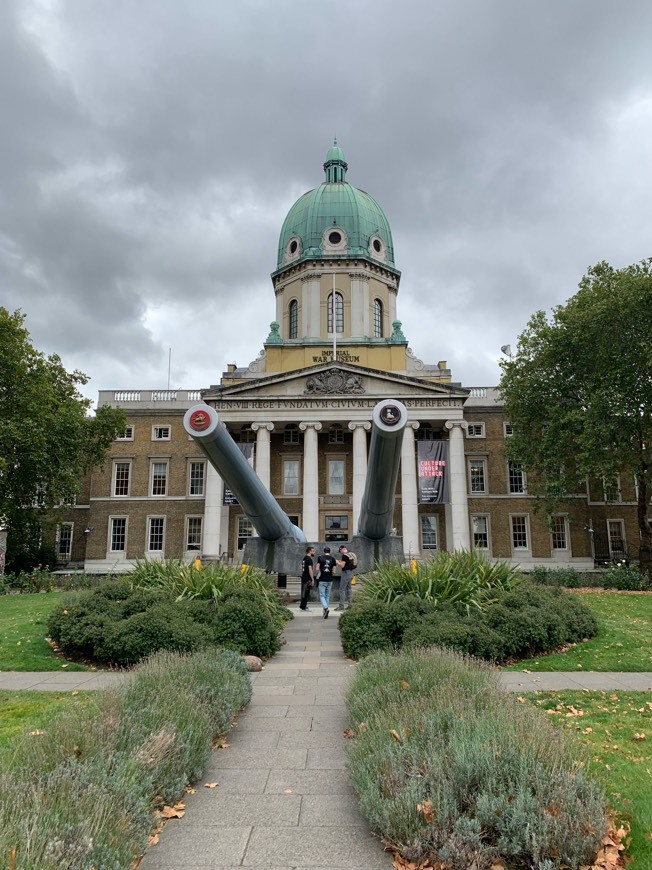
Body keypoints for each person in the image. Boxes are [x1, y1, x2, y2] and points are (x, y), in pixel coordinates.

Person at [316, 546, 337, 618]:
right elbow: (334, 571)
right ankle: (325, 611)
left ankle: (325, 608)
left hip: (322, 579)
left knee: (322, 595)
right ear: (330, 552)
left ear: (324, 551)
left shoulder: (320, 558)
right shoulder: (333, 559)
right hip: (330, 579)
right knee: (327, 595)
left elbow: (317, 568)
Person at [335, 545, 354, 610]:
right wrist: (341, 562)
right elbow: (347, 564)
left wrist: (337, 562)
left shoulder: (344, 556)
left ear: (342, 549)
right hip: (350, 573)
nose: (340, 552)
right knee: (349, 589)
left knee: (342, 589)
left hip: (345, 573)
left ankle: (341, 606)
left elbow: (342, 566)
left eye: (340, 551)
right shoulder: (349, 555)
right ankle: (350, 605)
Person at [299, 546, 316, 611]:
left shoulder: (304, 558)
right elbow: (310, 569)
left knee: (305, 592)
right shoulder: (309, 559)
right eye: (313, 551)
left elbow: (302, 567)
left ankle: (302, 605)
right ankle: (303, 606)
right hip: (307, 578)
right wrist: (312, 579)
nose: (314, 552)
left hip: (304, 576)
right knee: (306, 592)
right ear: (310, 551)